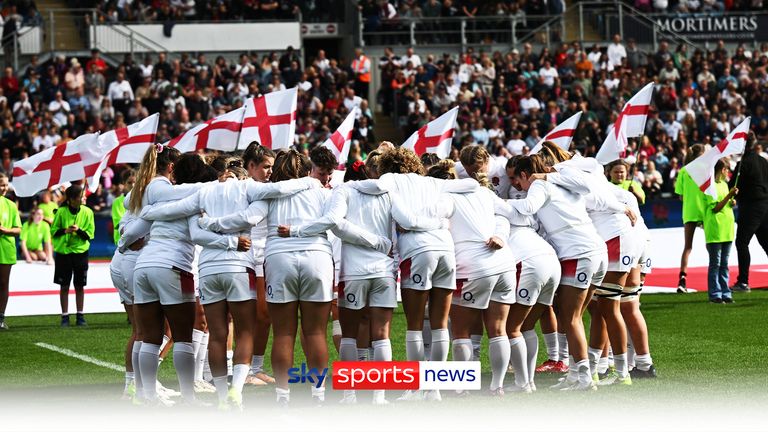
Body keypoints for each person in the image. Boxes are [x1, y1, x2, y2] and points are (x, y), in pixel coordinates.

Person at [346, 147, 479, 402]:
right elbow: (472, 185)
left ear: (387, 166)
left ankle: (417, 388)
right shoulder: (432, 181)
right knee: (440, 325)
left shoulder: (390, 180)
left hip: (417, 250)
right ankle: (434, 389)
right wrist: (438, 219)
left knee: (415, 326)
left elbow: (374, 190)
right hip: (445, 248)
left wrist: (347, 189)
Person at [506, 155, 607, 391]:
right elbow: (587, 184)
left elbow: (528, 207)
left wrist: (493, 203)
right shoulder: (563, 183)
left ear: (524, 174)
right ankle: (576, 373)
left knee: (571, 319)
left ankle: (584, 377)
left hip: (579, 254)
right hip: (595, 251)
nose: (518, 188)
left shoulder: (541, 185)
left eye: (518, 181)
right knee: (574, 318)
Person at [51, 184, 95, 327]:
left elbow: (90, 235)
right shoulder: (61, 212)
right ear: (70, 199)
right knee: (64, 285)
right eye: (79, 197)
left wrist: (79, 230)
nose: (82, 198)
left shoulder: (88, 212)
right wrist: (65, 231)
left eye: (82, 196)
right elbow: (53, 230)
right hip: (63, 253)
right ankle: (65, 316)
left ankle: (80, 315)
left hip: (81, 253)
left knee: (79, 285)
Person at [729, 134, 768, 292]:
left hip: (751, 207)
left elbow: (733, 187)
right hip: (765, 205)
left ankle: (743, 281)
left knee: (742, 243)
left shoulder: (742, 163)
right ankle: (743, 281)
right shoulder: (763, 161)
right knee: (766, 243)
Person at [675, 144, 706, 293]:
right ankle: (716, 281)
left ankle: (682, 281)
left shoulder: (683, 171)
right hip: (706, 211)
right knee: (713, 247)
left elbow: (680, 196)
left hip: (689, 212)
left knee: (687, 247)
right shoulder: (707, 169)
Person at [705, 159, 738, 303]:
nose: (728, 172)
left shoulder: (725, 185)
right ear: (721, 170)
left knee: (724, 264)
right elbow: (715, 208)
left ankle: (725, 291)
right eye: (726, 169)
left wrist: (732, 202)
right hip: (715, 229)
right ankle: (715, 293)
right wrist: (729, 196)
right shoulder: (709, 187)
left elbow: (724, 205)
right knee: (715, 264)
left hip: (727, 228)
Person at [0, 173, 20, 330]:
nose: (4, 188)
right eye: (1, 184)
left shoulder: (11, 205)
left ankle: (1, 317)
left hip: (6, 249)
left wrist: (5, 230)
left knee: (3, 284)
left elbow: (18, 229)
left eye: (6, 184)